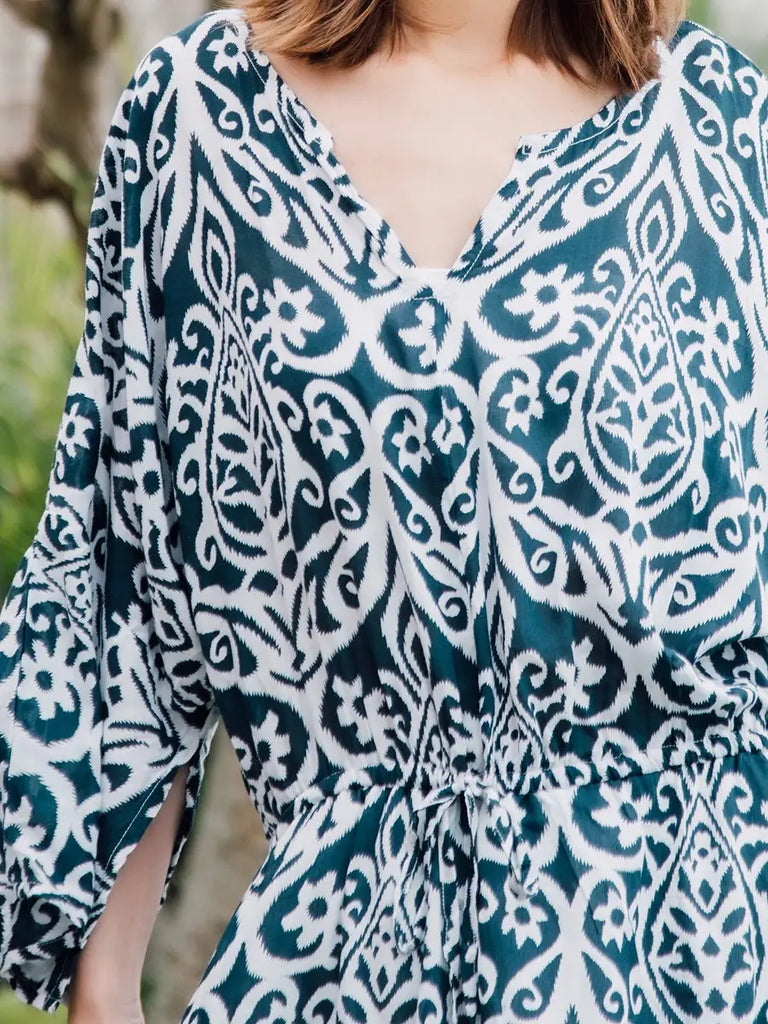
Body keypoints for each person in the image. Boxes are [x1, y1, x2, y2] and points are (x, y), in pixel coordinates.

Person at [1, 0, 767, 1020]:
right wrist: (106, 994)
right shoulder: (200, 120)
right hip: (335, 964)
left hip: (688, 961)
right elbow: (124, 593)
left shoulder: (723, 129)